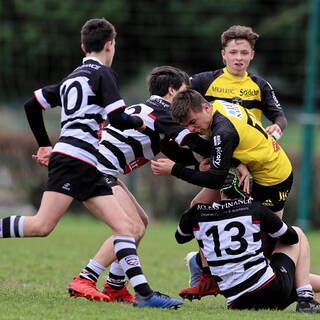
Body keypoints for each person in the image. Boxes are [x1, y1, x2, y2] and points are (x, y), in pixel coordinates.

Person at [0, 19, 183, 309]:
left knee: (126, 227)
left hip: (85, 161)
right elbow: (118, 118)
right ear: (110, 44)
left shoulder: (72, 78)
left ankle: (144, 295)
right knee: (41, 225)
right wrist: (139, 123)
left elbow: (30, 105)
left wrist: (45, 143)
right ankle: (131, 291)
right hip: (76, 159)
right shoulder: (103, 74)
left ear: (83, 46)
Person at [66, 66, 220, 305]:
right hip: (97, 170)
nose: (185, 99)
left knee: (141, 223)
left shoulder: (153, 111)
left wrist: (198, 164)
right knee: (130, 228)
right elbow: (191, 143)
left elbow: (175, 151)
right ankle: (86, 278)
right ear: (171, 91)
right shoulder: (164, 111)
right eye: (183, 91)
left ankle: (116, 286)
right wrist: (228, 154)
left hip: (101, 170)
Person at [151, 88, 294, 297]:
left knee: (267, 252)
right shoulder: (214, 108)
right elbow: (230, 142)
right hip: (251, 169)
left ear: (206, 108)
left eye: (192, 122)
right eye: (186, 126)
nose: (191, 129)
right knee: (198, 207)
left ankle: (305, 289)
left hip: (273, 179)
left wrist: (175, 170)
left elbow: (215, 177)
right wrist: (238, 162)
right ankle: (207, 275)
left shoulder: (222, 131)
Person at [175, 171, 320, 313]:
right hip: (272, 291)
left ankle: (304, 293)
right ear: (246, 191)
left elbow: (180, 237)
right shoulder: (253, 208)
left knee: (298, 280)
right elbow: (291, 238)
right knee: (298, 232)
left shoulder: (198, 213)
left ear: (220, 191)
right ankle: (306, 298)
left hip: (237, 303)